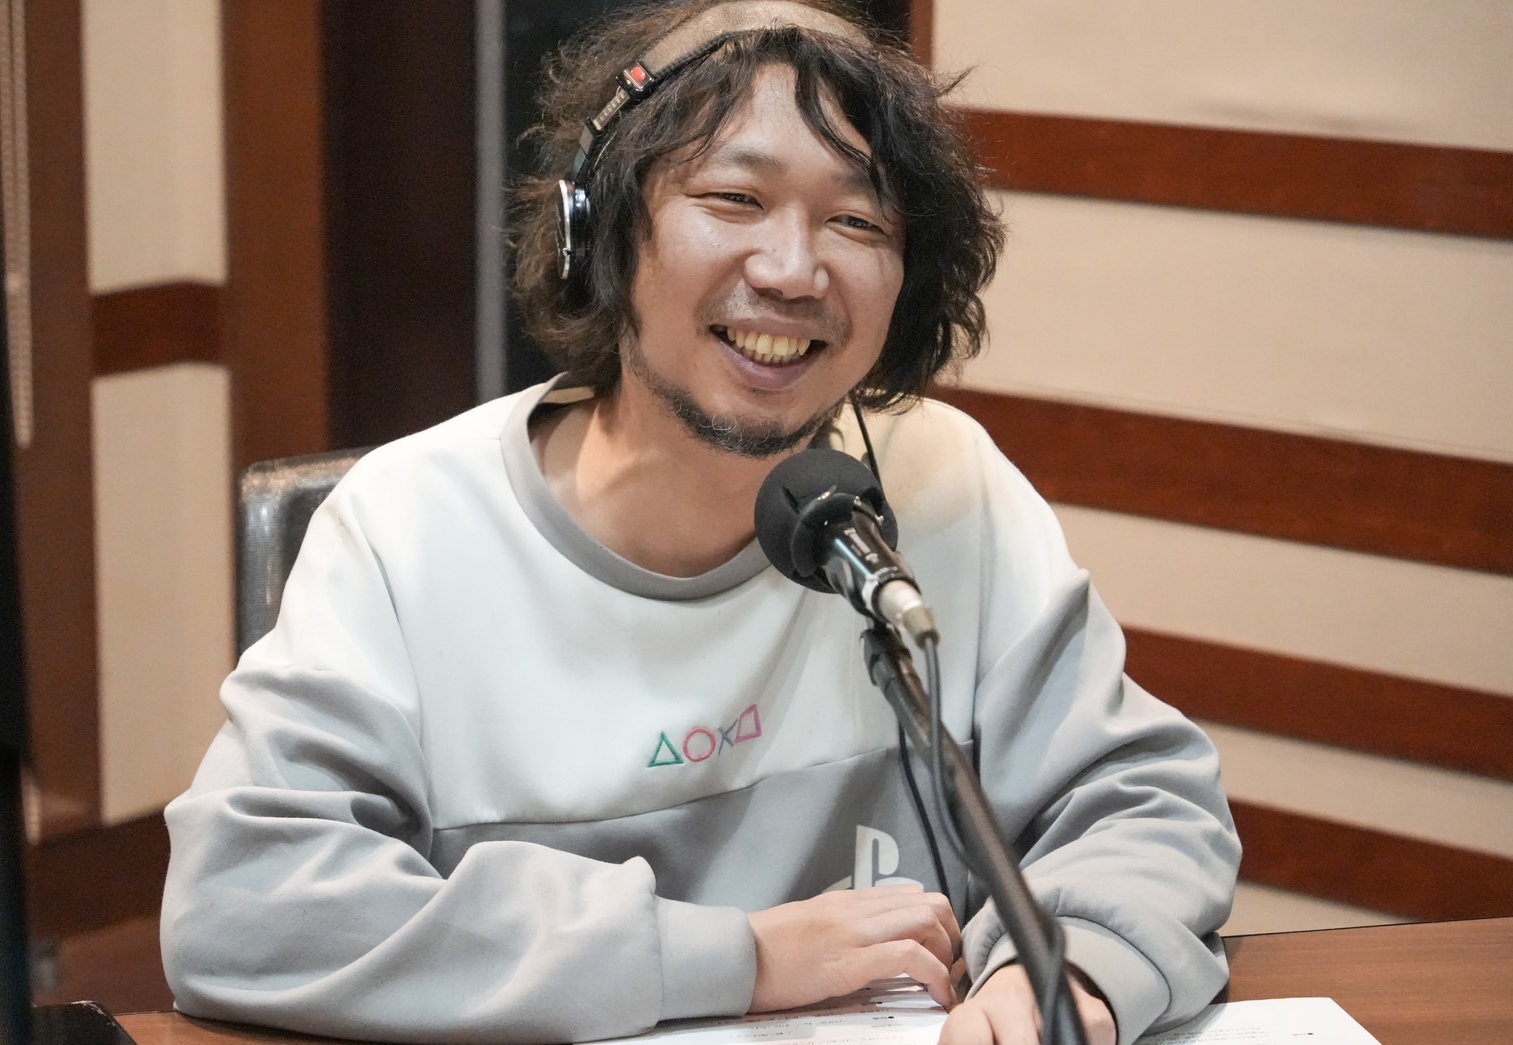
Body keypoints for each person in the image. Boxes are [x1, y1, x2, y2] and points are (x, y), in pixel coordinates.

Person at [161, 3, 1240, 1044]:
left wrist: (1066, 968)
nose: (791, 270)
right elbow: (249, 904)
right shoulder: (410, 528)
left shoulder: (942, 485)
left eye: (856, 221)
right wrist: (737, 958)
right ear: (597, 231)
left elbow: (1142, 803)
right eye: (733, 198)